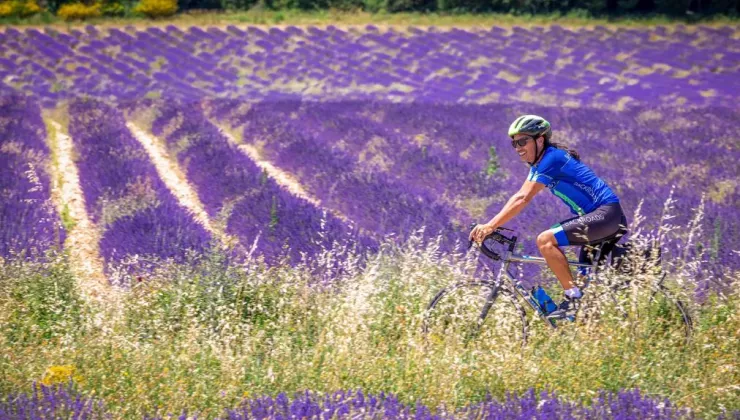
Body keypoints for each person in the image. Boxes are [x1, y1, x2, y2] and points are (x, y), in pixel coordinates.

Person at [469, 115, 628, 318]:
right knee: (584, 290)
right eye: (514, 143)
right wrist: (492, 224)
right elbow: (519, 195)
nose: (518, 147)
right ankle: (583, 321)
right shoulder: (542, 163)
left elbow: (522, 198)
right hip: (602, 218)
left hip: (605, 216)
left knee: (545, 240)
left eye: (522, 141)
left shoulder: (552, 159)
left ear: (540, 139)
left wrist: (490, 226)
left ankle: (572, 299)